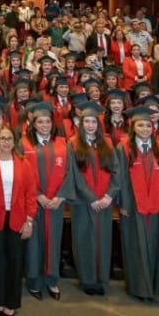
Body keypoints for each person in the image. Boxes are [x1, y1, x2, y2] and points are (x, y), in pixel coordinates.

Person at [118, 104, 159, 303]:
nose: (145, 129)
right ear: (133, 127)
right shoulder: (123, 147)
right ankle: (139, 288)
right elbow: (120, 177)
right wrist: (123, 202)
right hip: (133, 205)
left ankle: (156, 287)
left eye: (148, 126)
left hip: (156, 205)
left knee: (156, 244)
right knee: (136, 245)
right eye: (140, 125)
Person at [22, 102, 75, 301]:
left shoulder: (63, 143)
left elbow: (70, 172)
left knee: (53, 241)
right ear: (33, 124)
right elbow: (21, 173)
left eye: (47, 122)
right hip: (33, 202)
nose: (44, 125)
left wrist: (60, 197)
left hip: (55, 204)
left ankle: (52, 280)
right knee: (33, 243)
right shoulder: (24, 144)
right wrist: (38, 195)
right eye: (40, 122)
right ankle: (34, 281)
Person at [69, 102, 122, 296]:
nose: (90, 125)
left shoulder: (106, 144)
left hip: (104, 202)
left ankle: (101, 278)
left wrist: (109, 195)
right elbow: (74, 174)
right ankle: (87, 280)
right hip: (83, 202)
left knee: (103, 240)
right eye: (87, 122)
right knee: (84, 240)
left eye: (94, 122)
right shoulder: (72, 144)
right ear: (81, 123)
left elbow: (117, 171)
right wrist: (91, 198)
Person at [0, 126, 35, 316]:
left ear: (14, 142)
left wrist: (29, 221)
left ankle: (11, 303)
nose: (6, 142)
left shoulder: (24, 164)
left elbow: (30, 194)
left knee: (15, 262)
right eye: (2, 138)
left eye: (9, 139)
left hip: (18, 219)